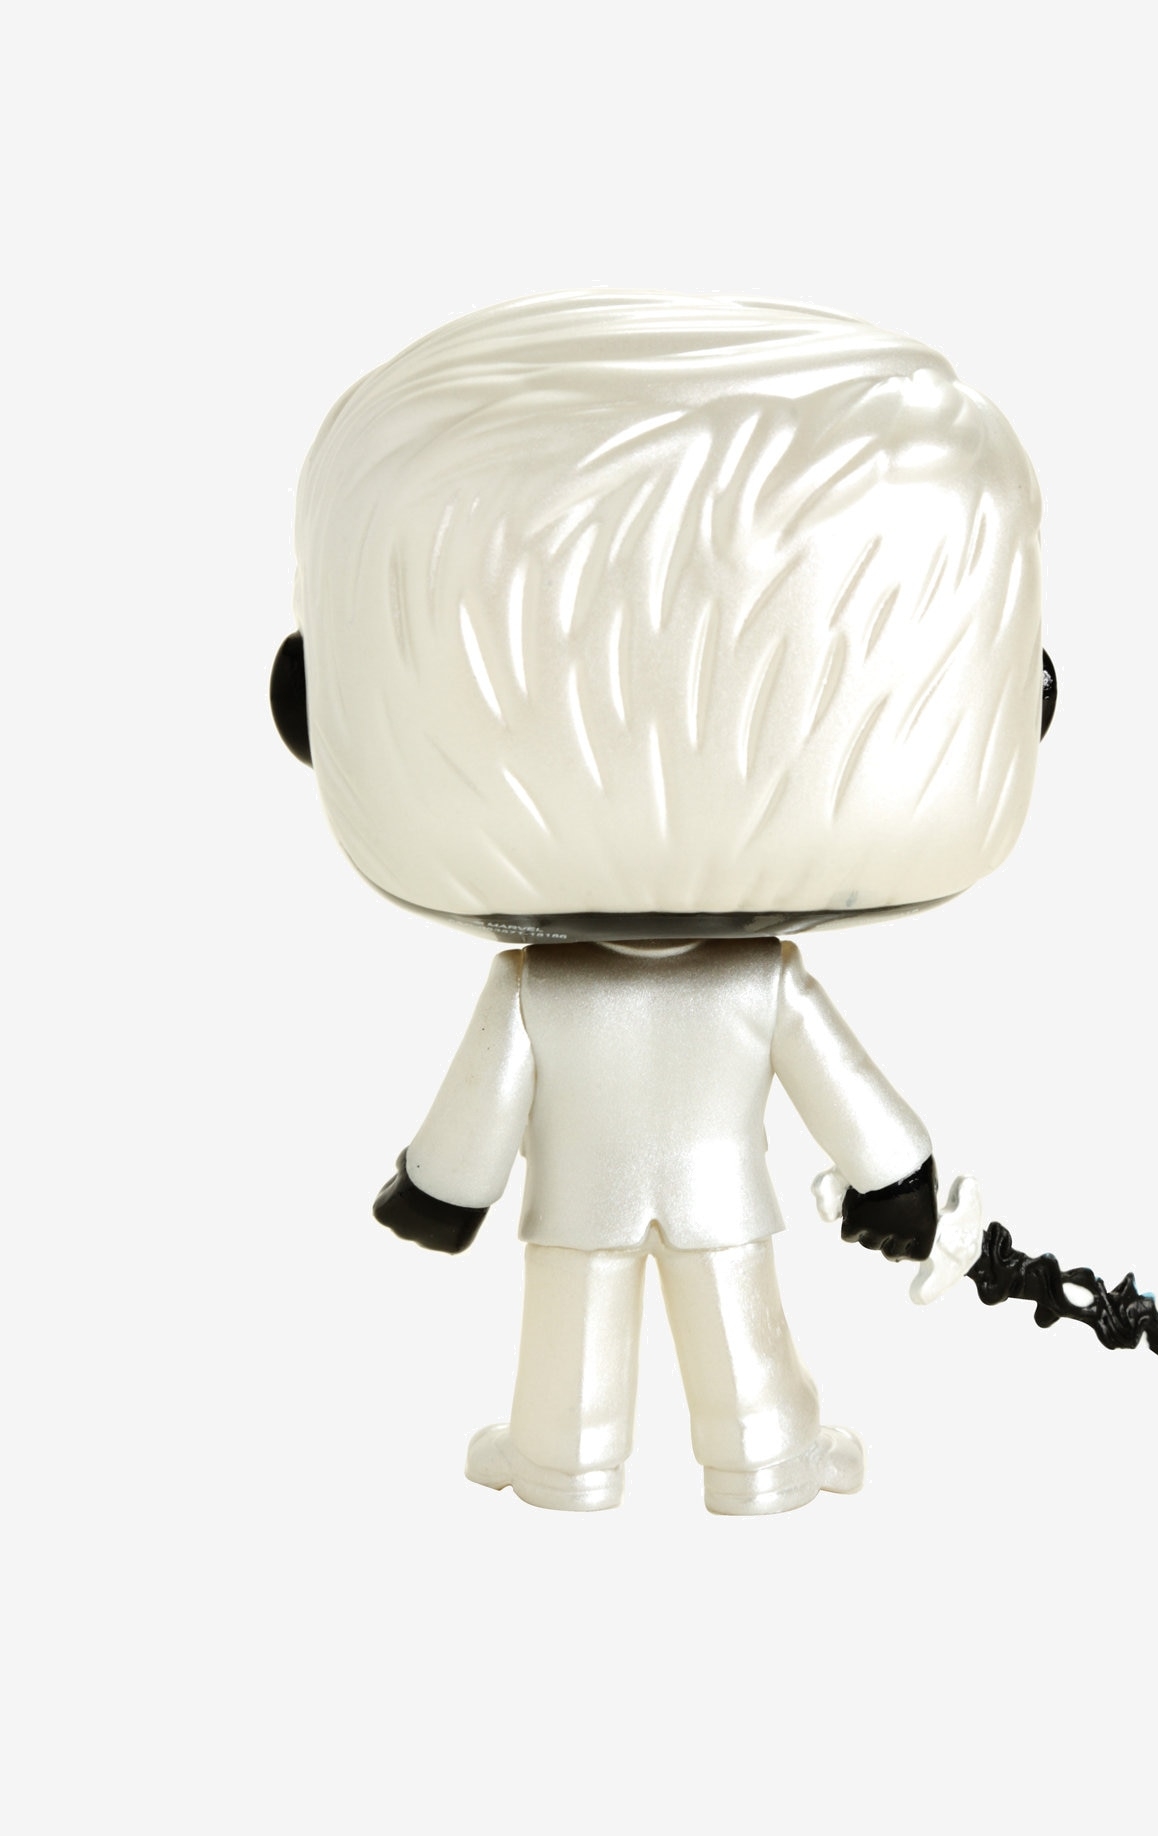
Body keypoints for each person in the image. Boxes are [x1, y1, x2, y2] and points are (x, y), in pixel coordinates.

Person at [270, 291, 1054, 1512]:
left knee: (568, 1324)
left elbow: (483, 1099)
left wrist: (441, 1189)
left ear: (307, 710)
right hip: (719, 1196)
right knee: (737, 1320)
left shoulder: (536, 986)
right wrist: (895, 1175)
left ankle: (561, 1462)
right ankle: (765, 1462)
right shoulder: (760, 982)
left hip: (575, 1202)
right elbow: (838, 1084)